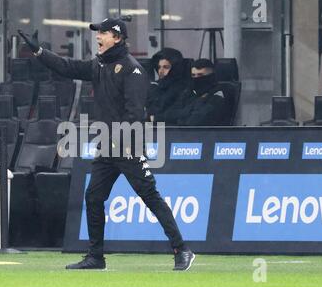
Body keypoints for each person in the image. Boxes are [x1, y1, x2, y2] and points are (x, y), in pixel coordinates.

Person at [18, 18, 195, 271]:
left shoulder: (132, 70)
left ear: (117, 37)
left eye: (102, 33)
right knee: (93, 197)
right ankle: (96, 257)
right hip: (108, 147)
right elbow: (67, 67)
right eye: (97, 32)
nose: (98, 36)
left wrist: (117, 139)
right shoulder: (99, 65)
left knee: (150, 197)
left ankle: (182, 250)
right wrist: (39, 52)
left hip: (127, 146)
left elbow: (135, 113)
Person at [163, 58, 230, 126]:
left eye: (200, 75)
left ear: (211, 76)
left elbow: (193, 122)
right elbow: (168, 114)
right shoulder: (190, 92)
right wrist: (189, 111)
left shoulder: (218, 95)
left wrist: (182, 114)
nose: (196, 79)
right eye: (193, 75)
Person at [146, 48, 190, 123]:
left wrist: (154, 118)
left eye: (166, 67)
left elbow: (180, 113)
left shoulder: (185, 89)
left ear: (176, 68)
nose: (161, 71)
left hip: (172, 130)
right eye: (159, 67)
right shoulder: (154, 86)